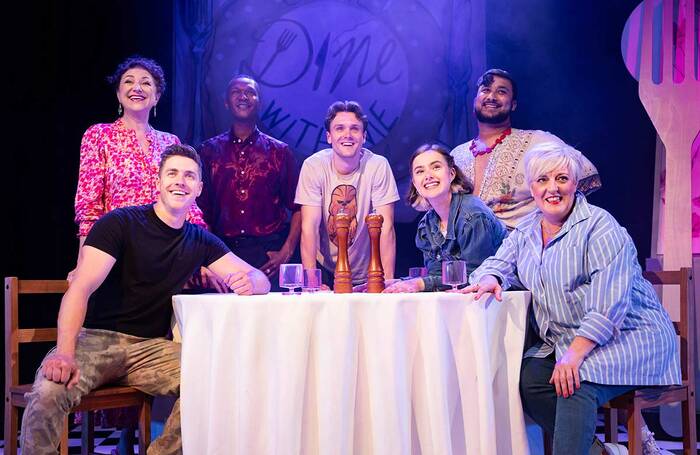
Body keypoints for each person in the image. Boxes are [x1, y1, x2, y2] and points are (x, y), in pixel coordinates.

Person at [20, 145, 270, 454]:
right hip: (97, 340)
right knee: (48, 392)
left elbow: (259, 276)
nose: (180, 181)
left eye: (189, 176)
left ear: (199, 189)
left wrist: (252, 283)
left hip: (150, 348)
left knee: (217, 375)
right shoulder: (121, 223)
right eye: (173, 174)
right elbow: (80, 288)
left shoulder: (199, 239)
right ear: (158, 181)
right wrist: (65, 353)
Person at [461, 143, 680, 454]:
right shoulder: (526, 230)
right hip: (570, 342)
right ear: (532, 187)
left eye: (562, 179)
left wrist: (574, 356)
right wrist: (490, 277)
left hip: (629, 338)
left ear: (576, 184)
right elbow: (498, 262)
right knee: (530, 381)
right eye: (542, 180)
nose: (553, 188)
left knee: (573, 384)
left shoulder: (601, 227)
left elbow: (609, 306)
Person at [72, 56, 206, 279]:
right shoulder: (98, 135)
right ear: (118, 94)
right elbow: (89, 206)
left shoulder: (170, 142)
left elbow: (189, 206)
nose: (137, 87)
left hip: (167, 250)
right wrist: (84, 264)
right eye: (128, 81)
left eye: (146, 82)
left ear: (157, 97)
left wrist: (202, 258)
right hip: (118, 249)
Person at [451, 68, 601, 230]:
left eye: (501, 92)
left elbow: (587, 174)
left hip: (520, 248)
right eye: (485, 90)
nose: (492, 97)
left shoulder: (537, 141)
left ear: (513, 104)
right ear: (475, 101)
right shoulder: (456, 154)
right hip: (461, 250)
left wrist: (551, 222)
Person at [198, 75, 300, 290]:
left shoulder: (279, 152)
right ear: (226, 102)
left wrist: (286, 251)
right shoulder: (208, 151)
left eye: (250, 92)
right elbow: (201, 211)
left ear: (259, 101)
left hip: (267, 254)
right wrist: (207, 256)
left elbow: (298, 207)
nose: (243, 96)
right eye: (236, 92)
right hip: (223, 253)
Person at [295, 101, 399, 285]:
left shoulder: (377, 165)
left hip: (369, 269)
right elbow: (309, 227)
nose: (347, 135)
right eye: (339, 128)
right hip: (325, 268)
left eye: (355, 129)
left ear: (364, 136)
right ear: (329, 136)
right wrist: (311, 282)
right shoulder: (313, 166)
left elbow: (386, 227)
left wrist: (387, 280)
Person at [384, 144, 506, 293]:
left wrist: (420, 284)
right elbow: (435, 276)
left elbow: (477, 275)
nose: (428, 175)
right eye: (420, 171)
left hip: (502, 297)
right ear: (415, 183)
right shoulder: (426, 226)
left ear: (452, 173)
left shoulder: (473, 215)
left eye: (436, 167)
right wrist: (397, 283)